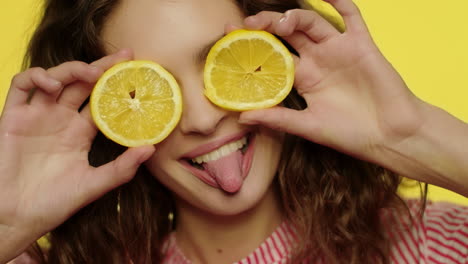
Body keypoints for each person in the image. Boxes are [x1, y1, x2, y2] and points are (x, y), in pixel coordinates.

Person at [1, 0, 467, 263]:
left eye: (220, 63)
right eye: (148, 90)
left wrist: (410, 135)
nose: (202, 120)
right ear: (108, 119)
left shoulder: (425, 245)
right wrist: (7, 226)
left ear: (279, 61)